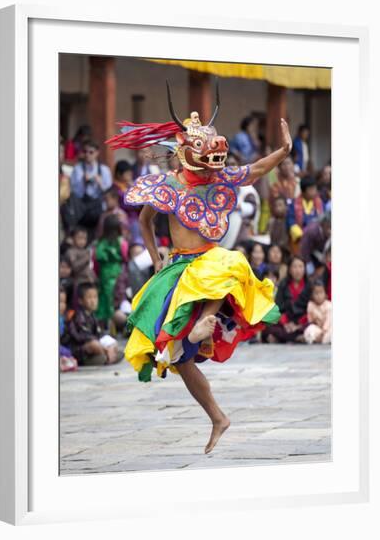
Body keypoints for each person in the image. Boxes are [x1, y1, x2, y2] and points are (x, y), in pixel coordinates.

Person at [105, 81, 292, 454]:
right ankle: (218, 417)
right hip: (180, 267)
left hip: (208, 260)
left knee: (228, 264)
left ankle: (206, 322)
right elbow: (144, 222)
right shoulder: (169, 185)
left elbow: (255, 168)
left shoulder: (219, 177)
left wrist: (285, 150)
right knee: (178, 358)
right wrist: (158, 259)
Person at [64, 282, 123, 365]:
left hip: (95, 346)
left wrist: (109, 345)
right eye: (89, 297)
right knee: (94, 345)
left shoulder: (92, 315)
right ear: (81, 301)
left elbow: (99, 334)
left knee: (114, 344)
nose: (93, 301)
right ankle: (106, 357)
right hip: (79, 349)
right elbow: (82, 336)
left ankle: (107, 357)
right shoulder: (78, 316)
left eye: (95, 297)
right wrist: (103, 347)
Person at [92, 215, 129, 330]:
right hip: (118, 274)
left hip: (104, 275)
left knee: (104, 301)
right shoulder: (121, 242)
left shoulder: (99, 243)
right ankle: (120, 326)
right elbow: (125, 257)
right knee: (116, 302)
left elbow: (95, 260)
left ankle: (105, 326)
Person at [262, 256, 311, 343]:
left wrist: (298, 325)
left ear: (304, 269)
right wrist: (286, 324)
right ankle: (296, 338)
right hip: (286, 322)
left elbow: (312, 309)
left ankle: (282, 338)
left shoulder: (309, 285)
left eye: (300, 266)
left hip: (303, 322)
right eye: (294, 266)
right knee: (267, 326)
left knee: (311, 326)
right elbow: (278, 307)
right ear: (289, 269)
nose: (298, 270)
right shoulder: (283, 284)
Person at [70, 141, 112, 231]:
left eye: (91, 152)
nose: (87, 155)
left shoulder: (104, 170)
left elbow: (109, 193)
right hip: (82, 209)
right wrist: (83, 182)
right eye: (85, 152)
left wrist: (100, 183)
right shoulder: (77, 169)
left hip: (98, 208)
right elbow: (75, 191)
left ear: (97, 153)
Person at [287, 176, 324, 250]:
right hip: (300, 240)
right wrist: (303, 236)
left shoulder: (319, 203)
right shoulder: (293, 204)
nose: (314, 192)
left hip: (316, 241)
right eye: (311, 189)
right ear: (303, 191)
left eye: (315, 189)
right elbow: (291, 222)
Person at [300, 212, 331, 277]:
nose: (330, 231)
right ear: (322, 224)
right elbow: (304, 249)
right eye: (329, 227)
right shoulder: (311, 232)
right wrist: (308, 263)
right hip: (309, 253)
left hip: (322, 253)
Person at [304, 280, 332, 344]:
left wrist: (323, 333)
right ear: (311, 295)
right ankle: (315, 339)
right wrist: (314, 322)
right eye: (316, 293)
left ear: (325, 294)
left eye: (321, 292)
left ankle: (321, 340)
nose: (319, 296)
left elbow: (328, 321)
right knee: (309, 330)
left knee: (331, 333)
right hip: (318, 329)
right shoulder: (310, 305)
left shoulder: (329, 305)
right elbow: (310, 321)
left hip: (327, 330)